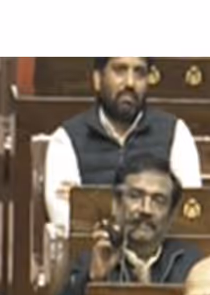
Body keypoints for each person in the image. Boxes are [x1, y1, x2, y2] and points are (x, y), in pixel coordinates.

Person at [43, 153, 202, 295]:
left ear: (171, 214)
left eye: (158, 200)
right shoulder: (92, 260)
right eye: (135, 196)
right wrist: (93, 279)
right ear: (116, 204)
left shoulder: (190, 264)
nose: (146, 209)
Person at [44, 57, 201, 237]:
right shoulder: (67, 138)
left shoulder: (175, 132)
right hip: (92, 251)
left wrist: (92, 204)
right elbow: (66, 222)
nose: (130, 83)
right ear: (97, 79)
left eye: (139, 73)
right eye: (120, 70)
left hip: (160, 252)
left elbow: (189, 212)